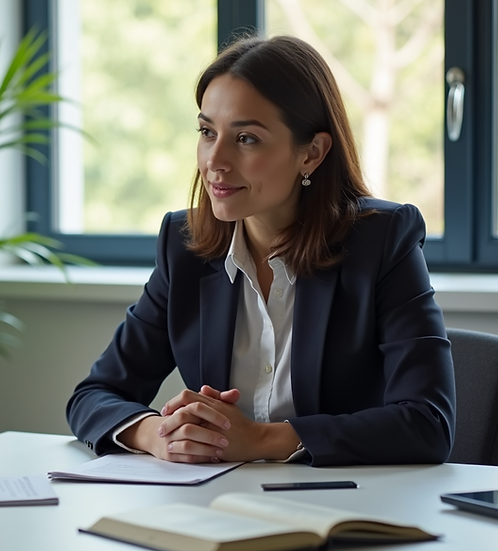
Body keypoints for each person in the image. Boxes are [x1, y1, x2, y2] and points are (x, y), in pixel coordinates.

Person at [66, 35, 455, 467]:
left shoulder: (381, 241)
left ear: (312, 153)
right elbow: (94, 395)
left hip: (344, 500)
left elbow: (428, 423)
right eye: (207, 132)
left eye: (246, 138)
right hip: (216, 501)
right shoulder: (183, 245)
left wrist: (260, 440)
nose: (215, 160)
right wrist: (160, 435)